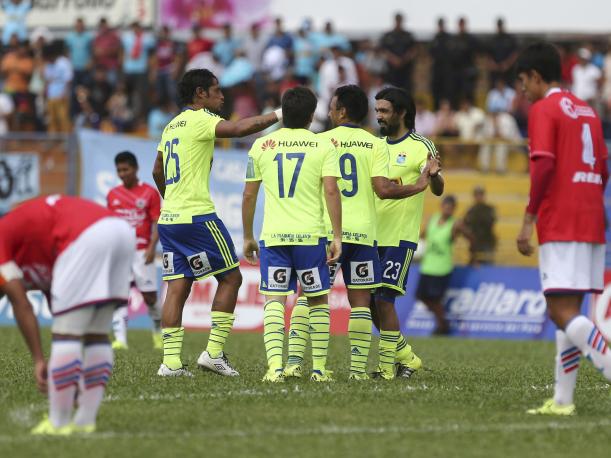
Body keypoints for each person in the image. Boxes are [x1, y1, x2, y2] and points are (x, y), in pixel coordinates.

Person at [283, 85, 432, 380]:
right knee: (362, 302)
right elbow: (382, 188)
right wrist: (419, 184)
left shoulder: (320, 141)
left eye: (332, 107)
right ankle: (357, 371)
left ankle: (295, 363)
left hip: (327, 233)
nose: (328, 112)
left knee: (307, 296)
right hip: (364, 234)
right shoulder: (375, 144)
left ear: (341, 112)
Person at [151, 68, 281, 377]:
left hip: (169, 219)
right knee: (232, 278)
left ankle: (170, 363)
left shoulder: (172, 125)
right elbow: (238, 130)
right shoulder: (200, 119)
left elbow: (157, 169)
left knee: (176, 286)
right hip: (198, 217)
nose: (222, 96)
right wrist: (279, 113)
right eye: (217, 90)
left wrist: (172, 199)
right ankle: (213, 353)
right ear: (200, 94)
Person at [515, 42, 611, 416]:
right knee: (568, 308)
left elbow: (542, 167)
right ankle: (562, 401)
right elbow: (603, 168)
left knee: (560, 310)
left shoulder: (544, 109)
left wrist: (528, 218)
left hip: (562, 219)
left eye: (523, 82)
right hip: (591, 218)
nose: (522, 90)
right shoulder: (587, 110)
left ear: (536, 77)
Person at [0, 195, 134, 434]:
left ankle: (58, 422)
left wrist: (39, 359)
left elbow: (21, 304)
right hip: (120, 231)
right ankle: (85, 422)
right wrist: (68, 372)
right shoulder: (29, 248)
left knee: (66, 337)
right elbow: (57, 302)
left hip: (85, 235)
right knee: (96, 334)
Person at [242, 86, 341, 383]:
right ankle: (319, 369)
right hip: (310, 236)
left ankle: (275, 369)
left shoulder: (261, 145)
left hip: (274, 236)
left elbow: (249, 195)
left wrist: (248, 235)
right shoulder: (324, 146)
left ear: (282, 113)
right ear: (312, 116)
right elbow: (331, 190)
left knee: (274, 300)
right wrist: (336, 235)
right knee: (317, 300)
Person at [371, 87, 444, 379]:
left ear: (401, 112)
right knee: (371, 301)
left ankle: (387, 367)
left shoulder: (421, 145)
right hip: (371, 235)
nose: (379, 117)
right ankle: (406, 357)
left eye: (384, 111)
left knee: (385, 300)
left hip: (399, 236)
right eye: (377, 111)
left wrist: (435, 175)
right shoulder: (375, 145)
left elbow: (438, 189)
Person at [107, 151, 162, 351]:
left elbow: (157, 222)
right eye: (119, 170)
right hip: (120, 252)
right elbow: (111, 225)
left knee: (150, 298)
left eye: (126, 169)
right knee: (120, 295)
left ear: (136, 168)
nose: (122, 173)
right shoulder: (113, 195)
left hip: (141, 252)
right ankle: (120, 340)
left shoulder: (149, 193)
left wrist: (151, 247)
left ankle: (158, 332)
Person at [417, 195, 470, 335]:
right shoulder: (432, 220)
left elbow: (471, 237)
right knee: (421, 296)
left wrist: (473, 256)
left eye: (450, 208)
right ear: (441, 206)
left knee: (435, 299)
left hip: (442, 268)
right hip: (427, 266)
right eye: (446, 207)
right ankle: (443, 323)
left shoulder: (455, 224)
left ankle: (442, 326)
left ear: (454, 209)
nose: (447, 210)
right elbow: (422, 236)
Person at [379, 13, 416, 92]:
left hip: (405, 72)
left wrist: (403, 60)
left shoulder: (408, 35)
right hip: (391, 72)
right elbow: (383, 51)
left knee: (406, 94)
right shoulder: (387, 36)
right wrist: (393, 59)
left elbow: (413, 50)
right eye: (397, 20)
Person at [43, 42, 73, 133]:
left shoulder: (64, 62)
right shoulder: (48, 64)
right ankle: (53, 139)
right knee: (51, 119)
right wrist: (46, 93)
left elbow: (69, 80)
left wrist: (65, 93)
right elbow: (47, 80)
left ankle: (65, 139)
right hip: (51, 95)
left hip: (62, 95)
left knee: (63, 118)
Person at [463, 186, 497, 265]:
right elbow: (465, 224)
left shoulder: (489, 209)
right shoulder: (471, 210)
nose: (479, 197)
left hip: (487, 242)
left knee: (488, 266)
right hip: (474, 243)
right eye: (477, 195)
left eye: (480, 194)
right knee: (474, 265)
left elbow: (490, 223)